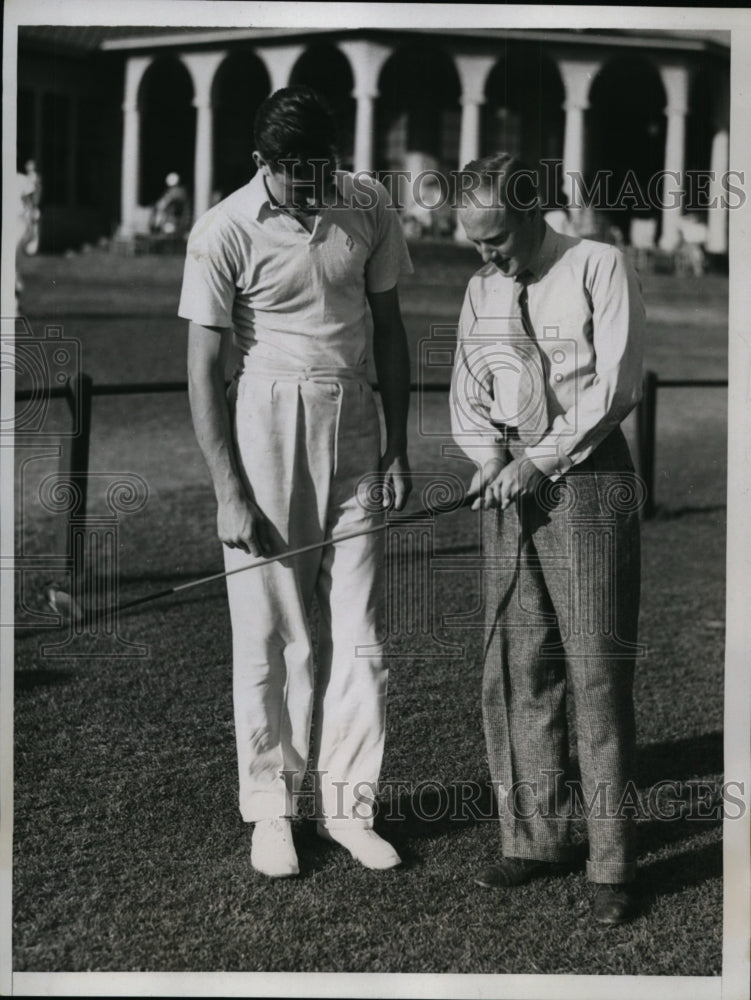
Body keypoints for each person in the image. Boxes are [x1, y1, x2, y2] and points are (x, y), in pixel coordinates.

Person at [179, 86, 412, 878]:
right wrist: (228, 489)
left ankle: (350, 810)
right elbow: (203, 369)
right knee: (276, 635)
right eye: (298, 174)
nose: (316, 188)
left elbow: (388, 328)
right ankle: (272, 813)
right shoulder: (222, 230)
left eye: (326, 167)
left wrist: (398, 444)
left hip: (356, 426)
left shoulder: (368, 203)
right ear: (261, 164)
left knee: (360, 637)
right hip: (268, 422)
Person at [450, 153, 645, 925]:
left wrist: (541, 458)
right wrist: (489, 458)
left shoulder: (598, 264)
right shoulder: (481, 286)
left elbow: (616, 382)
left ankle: (611, 861)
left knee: (594, 670)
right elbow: (469, 381)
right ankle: (536, 838)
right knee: (517, 662)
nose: (486, 255)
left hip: (586, 477)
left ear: (535, 213)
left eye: (495, 238)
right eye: (474, 242)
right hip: (509, 483)